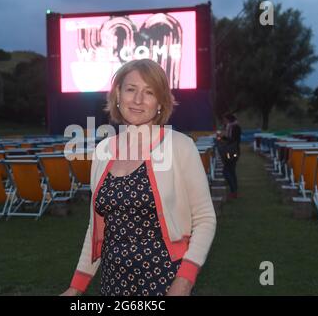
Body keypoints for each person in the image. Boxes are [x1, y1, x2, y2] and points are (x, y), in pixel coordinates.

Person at [61, 59, 216, 296]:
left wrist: (184, 281)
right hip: (113, 283)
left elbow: (205, 219)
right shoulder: (103, 151)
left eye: (149, 92)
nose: (138, 100)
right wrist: (76, 287)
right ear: (117, 95)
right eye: (131, 89)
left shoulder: (180, 146)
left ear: (161, 103)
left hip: (164, 281)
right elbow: (96, 228)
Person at [219, 113, 242, 199]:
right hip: (233, 151)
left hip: (232, 152)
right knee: (231, 171)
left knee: (226, 171)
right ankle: (234, 191)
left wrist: (223, 138)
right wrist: (223, 138)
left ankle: (233, 191)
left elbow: (233, 140)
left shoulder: (234, 127)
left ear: (229, 120)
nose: (224, 121)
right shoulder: (231, 127)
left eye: (225, 120)